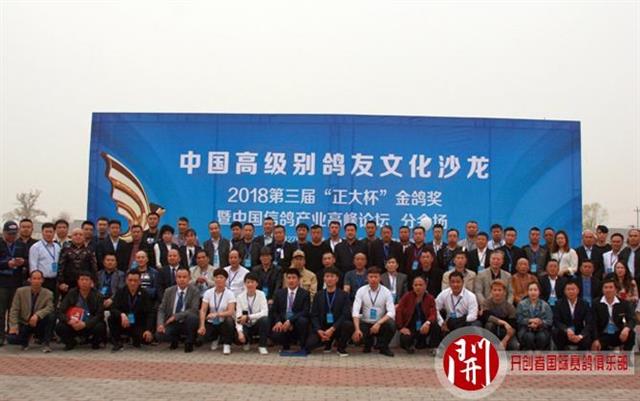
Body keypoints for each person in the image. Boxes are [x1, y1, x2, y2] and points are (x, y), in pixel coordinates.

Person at [306, 267, 353, 356]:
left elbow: (345, 314)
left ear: (337, 279)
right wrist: (319, 330)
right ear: (324, 279)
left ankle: (341, 347)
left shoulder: (344, 295)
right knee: (309, 345)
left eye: (332, 276)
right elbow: (314, 315)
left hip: (337, 327)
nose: (329, 279)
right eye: (327, 276)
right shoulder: (318, 295)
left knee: (348, 324)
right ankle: (327, 342)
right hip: (323, 327)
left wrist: (332, 329)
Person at [351, 266, 396, 357]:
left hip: (380, 323)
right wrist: (357, 329)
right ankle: (368, 344)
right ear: (367, 278)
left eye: (376, 277)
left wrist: (378, 323)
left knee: (391, 325)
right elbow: (355, 311)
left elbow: (391, 312)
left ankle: (383, 347)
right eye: (371, 277)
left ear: (380, 278)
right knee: (357, 339)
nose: (373, 279)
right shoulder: (361, 291)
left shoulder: (386, 292)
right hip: (365, 322)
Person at [55, 271, 106, 350]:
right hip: (73, 322)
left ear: (91, 282)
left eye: (86, 280)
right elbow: (60, 311)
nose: (84, 282)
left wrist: (85, 324)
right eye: (82, 279)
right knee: (60, 327)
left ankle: (95, 343)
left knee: (100, 327)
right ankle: (71, 342)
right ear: (78, 282)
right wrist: (69, 321)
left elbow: (99, 315)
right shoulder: (71, 293)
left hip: (89, 323)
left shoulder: (98, 295)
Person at [7, 270, 54, 352]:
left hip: (39, 323)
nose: (36, 281)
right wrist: (13, 326)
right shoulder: (20, 292)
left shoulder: (48, 293)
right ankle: (25, 341)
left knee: (51, 316)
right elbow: (14, 310)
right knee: (11, 339)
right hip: (25, 322)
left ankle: (46, 344)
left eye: (39, 279)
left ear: (42, 280)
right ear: (30, 280)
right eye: (34, 278)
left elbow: (50, 307)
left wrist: (37, 315)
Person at [156, 267, 200, 353]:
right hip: (172, 322)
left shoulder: (194, 291)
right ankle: (174, 339)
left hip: (186, 321)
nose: (182, 279)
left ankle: (189, 341)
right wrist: (160, 324)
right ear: (175, 278)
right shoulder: (168, 291)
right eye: (179, 277)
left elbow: (194, 309)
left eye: (184, 277)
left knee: (193, 317)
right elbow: (161, 309)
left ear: (189, 278)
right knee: (159, 335)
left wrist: (176, 316)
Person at [109, 270, 155, 351]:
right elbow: (113, 308)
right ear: (126, 281)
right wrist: (121, 314)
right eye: (130, 280)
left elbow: (150, 313)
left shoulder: (144, 294)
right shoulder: (120, 292)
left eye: (135, 281)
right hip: (123, 322)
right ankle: (117, 342)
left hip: (137, 323)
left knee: (145, 340)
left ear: (140, 281)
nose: (132, 283)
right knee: (111, 318)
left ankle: (135, 339)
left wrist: (148, 330)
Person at [0, 221, 28, 347]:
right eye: (9, 234)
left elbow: (27, 260)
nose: (12, 236)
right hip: (2, 282)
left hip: (16, 282)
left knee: (14, 310)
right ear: (4, 233)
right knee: (1, 311)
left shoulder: (21, 245)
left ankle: (12, 335)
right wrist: (7, 264)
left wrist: (22, 262)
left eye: (14, 234)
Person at [271, 268, 310, 355]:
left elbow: (305, 311)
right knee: (275, 333)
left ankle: (302, 345)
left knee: (303, 321)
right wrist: (278, 321)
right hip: (283, 322)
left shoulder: (304, 293)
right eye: (289, 278)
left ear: (298, 279)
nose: (291, 280)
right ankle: (285, 346)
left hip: (296, 322)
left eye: (293, 278)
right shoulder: (279, 293)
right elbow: (274, 311)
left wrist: (290, 321)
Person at [591, 277, 636, 351]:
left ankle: (626, 355)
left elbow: (632, 319)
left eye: (611, 287)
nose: (608, 290)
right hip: (603, 334)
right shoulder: (596, 303)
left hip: (619, 333)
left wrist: (627, 328)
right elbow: (593, 322)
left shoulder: (624, 303)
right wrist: (595, 339)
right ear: (602, 289)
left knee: (631, 334)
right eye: (605, 287)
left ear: (616, 290)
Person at [198, 268, 236, 355]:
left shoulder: (230, 293)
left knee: (229, 320)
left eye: (221, 277)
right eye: (216, 277)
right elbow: (203, 310)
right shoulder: (208, 292)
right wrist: (202, 325)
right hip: (212, 321)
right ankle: (214, 339)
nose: (219, 279)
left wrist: (217, 314)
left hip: (223, 321)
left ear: (225, 280)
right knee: (201, 338)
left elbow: (231, 311)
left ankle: (227, 344)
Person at [395, 276, 438, 354]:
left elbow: (433, 313)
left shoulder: (430, 298)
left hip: (424, 328)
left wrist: (428, 323)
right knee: (405, 339)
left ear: (425, 286)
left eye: (420, 285)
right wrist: (401, 328)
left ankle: (433, 347)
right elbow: (399, 311)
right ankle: (411, 345)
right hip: (411, 328)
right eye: (416, 285)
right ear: (412, 286)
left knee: (435, 325)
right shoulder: (407, 296)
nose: (418, 287)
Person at [553, 280, 593, 350]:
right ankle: (562, 355)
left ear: (578, 290)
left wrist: (580, 336)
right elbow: (557, 321)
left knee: (587, 336)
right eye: (568, 289)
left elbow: (589, 323)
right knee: (556, 332)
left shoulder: (584, 304)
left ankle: (581, 356)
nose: (571, 292)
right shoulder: (558, 304)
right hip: (565, 332)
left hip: (579, 332)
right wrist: (566, 330)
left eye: (573, 289)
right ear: (564, 291)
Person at [235, 273, 270, 355]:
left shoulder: (261, 294)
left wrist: (248, 317)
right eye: (248, 282)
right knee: (237, 337)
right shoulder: (240, 297)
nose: (250, 284)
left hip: (256, 324)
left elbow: (265, 312)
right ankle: (246, 342)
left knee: (265, 320)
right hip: (245, 325)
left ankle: (262, 346)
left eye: (252, 282)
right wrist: (240, 333)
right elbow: (238, 317)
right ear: (245, 284)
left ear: (256, 284)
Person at [58, 228, 98, 296]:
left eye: (80, 235)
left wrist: (93, 281)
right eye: (75, 234)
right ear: (71, 237)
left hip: (85, 284)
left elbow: (94, 268)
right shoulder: (65, 250)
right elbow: (60, 267)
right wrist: (61, 282)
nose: (78, 236)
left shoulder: (89, 250)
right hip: (68, 284)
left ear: (84, 237)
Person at [480, 279, 518, 350]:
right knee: (489, 324)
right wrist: (504, 322)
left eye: (499, 290)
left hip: (505, 332)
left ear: (504, 292)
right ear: (491, 291)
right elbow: (486, 316)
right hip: (490, 331)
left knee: (515, 346)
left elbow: (513, 327)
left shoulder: (510, 307)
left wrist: (504, 341)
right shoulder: (486, 303)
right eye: (494, 290)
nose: (497, 292)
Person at [516, 281, 553, 350]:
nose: (533, 292)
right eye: (530, 290)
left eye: (535, 290)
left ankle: (539, 353)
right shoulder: (521, 304)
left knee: (541, 336)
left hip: (542, 329)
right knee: (529, 336)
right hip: (526, 329)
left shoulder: (545, 305)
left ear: (539, 292)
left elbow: (549, 321)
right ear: (527, 292)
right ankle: (529, 352)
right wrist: (530, 321)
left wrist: (540, 322)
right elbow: (519, 319)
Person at [28, 223, 61, 296]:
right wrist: (36, 281)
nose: (48, 234)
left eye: (51, 232)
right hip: (42, 281)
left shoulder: (57, 247)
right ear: (42, 232)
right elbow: (33, 266)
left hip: (55, 280)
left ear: (54, 233)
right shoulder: (36, 247)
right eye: (46, 232)